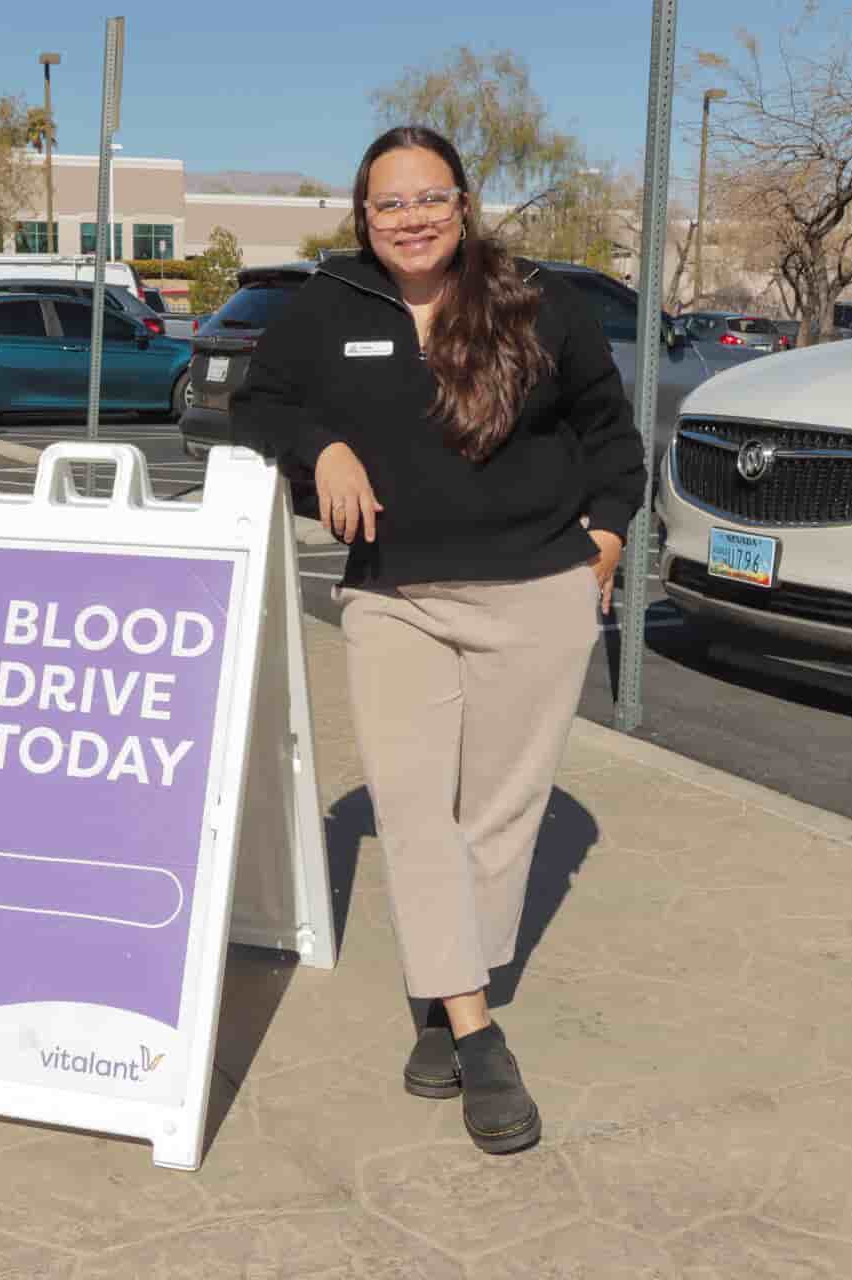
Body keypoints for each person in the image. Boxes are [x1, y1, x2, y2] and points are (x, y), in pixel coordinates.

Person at [232, 125, 646, 1155]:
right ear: (361, 216)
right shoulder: (328, 306)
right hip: (395, 598)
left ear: (462, 203)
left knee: (499, 818)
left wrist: (604, 533)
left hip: (537, 591)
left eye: (429, 198)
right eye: (388, 204)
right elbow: (257, 403)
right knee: (416, 809)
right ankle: (478, 1025)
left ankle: (440, 1001)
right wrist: (319, 446)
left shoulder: (534, 300)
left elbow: (609, 429)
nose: (410, 219)